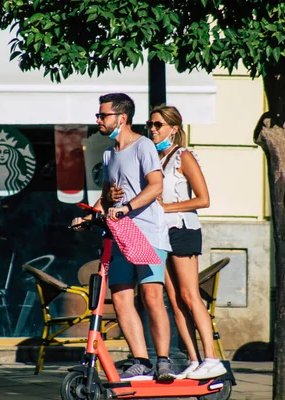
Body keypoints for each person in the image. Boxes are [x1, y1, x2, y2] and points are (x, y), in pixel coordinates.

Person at [109, 104, 226, 380]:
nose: (152, 129)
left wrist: (164, 207)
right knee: (173, 300)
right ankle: (194, 359)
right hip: (161, 233)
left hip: (183, 229)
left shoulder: (183, 156)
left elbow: (203, 199)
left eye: (158, 124)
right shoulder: (154, 158)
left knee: (189, 295)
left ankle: (212, 357)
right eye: (150, 124)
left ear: (174, 128)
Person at [71, 93, 175, 381]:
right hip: (120, 235)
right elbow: (105, 198)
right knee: (120, 298)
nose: (98, 120)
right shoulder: (108, 154)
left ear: (121, 118)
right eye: (99, 115)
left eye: (103, 115)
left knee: (152, 296)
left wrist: (127, 206)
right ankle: (141, 360)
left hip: (148, 233)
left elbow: (156, 187)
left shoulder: (143, 146)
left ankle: (163, 361)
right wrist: (88, 217)